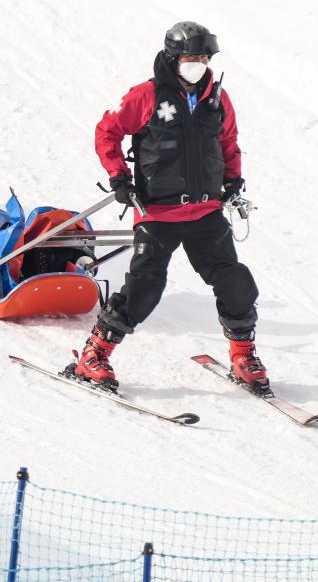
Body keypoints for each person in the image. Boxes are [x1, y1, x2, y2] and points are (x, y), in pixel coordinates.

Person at [69, 21, 270, 396]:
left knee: (236, 282)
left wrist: (233, 180)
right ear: (174, 57)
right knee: (145, 288)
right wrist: (118, 176)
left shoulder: (217, 98)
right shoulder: (146, 95)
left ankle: (244, 357)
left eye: (205, 58)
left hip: (206, 211)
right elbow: (107, 131)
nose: (199, 64)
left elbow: (228, 141)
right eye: (192, 57)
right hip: (158, 213)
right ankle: (94, 354)